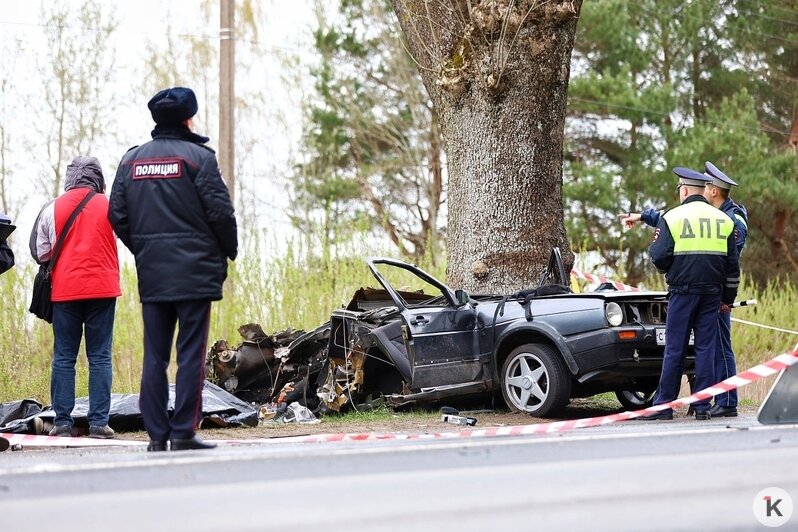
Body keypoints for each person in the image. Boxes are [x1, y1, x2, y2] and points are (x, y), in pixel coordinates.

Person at [109, 87, 238, 452]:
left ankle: (156, 436)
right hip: (195, 273)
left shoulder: (130, 161)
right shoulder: (199, 158)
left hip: (154, 273)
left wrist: (145, 249)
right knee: (190, 355)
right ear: (188, 119)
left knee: (155, 354)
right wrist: (229, 251)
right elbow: (221, 214)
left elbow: (116, 214)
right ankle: (183, 431)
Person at [620, 162, 748, 418]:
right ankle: (702, 406)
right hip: (712, 294)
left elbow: (658, 255)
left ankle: (664, 406)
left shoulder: (673, 216)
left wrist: (671, 268)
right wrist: (727, 297)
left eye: (679, 187)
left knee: (675, 348)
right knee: (705, 349)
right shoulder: (724, 220)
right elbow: (732, 266)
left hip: (682, 291)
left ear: (686, 191)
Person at [29, 156, 121, 438]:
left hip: (66, 289)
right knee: (100, 356)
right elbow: (127, 236)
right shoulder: (112, 206)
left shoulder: (52, 207)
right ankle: (98, 424)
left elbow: (41, 252)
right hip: (103, 288)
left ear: (70, 178)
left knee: (64, 356)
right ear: (98, 178)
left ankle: (63, 424)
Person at [702, 161, 748, 417]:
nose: (704, 191)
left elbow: (730, 262)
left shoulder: (733, 221)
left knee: (722, 345)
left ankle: (728, 400)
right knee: (715, 346)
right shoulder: (721, 217)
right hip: (713, 292)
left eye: (706, 186)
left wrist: (724, 296)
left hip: (719, 294)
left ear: (714, 191)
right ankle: (717, 396)